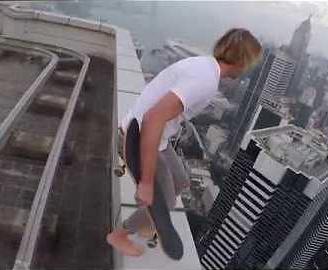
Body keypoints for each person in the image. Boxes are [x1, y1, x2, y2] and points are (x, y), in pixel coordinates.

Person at [107, 28, 262, 256]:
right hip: (138, 138)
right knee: (166, 202)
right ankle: (119, 234)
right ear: (242, 61)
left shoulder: (204, 65)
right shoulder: (206, 80)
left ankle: (146, 218)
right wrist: (147, 182)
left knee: (181, 181)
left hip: (154, 136)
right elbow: (153, 118)